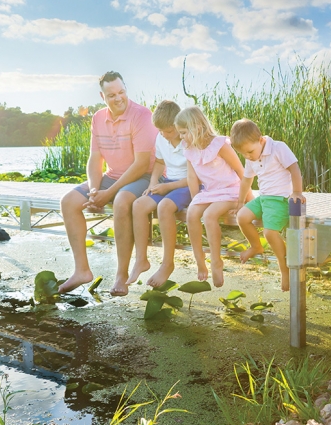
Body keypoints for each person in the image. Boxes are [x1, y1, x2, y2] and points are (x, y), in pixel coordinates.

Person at [58, 71, 157, 296]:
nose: (118, 97)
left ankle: (121, 274)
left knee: (121, 201)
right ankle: (82, 270)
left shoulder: (142, 115)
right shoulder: (97, 118)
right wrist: (94, 190)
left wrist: (108, 192)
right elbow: (95, 159)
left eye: (121, 92)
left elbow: (142, 164)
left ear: (125, 90)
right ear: (102, 96)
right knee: (69, 201)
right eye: (111, 94)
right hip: (111, 176)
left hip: (142, 176)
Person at [230, 118, 305, 292]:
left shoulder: (278, 148)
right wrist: (240, 202)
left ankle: (284, 267)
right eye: (244, 154)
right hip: (264, 198)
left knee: (270, 232)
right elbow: (247, 180)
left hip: (281, 199)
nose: (248, 156)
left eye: (250, 151)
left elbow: (294, 169)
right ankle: (256, 246)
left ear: (261, 140)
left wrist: (297, 192)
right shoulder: (251, 158)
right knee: (242, 216)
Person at [176, 106, 244, 288]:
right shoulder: (188, 148)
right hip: (209, 192)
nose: (181, 137)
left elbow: (240, 170)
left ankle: (216, 261)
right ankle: (199, 260)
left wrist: (246, 198)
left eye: (183, 132)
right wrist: (195, 200)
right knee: (192, 214)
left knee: (209, 215)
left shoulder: (219, 144)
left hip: (230, 190)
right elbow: (191, 177)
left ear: (196, 128)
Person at [129, 100, 192, 287]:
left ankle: (167, 264)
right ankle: (141, 259)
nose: (164, 135)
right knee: (139, 205)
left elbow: (194, 178)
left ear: (178, 125)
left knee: (164, 207)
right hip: (167, 181)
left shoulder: (188, 140)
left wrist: (167, 189)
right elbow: (158, 162)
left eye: (168, 131)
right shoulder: (161, 137)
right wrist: (154, 182)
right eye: (161, 131)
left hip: (187, 184)